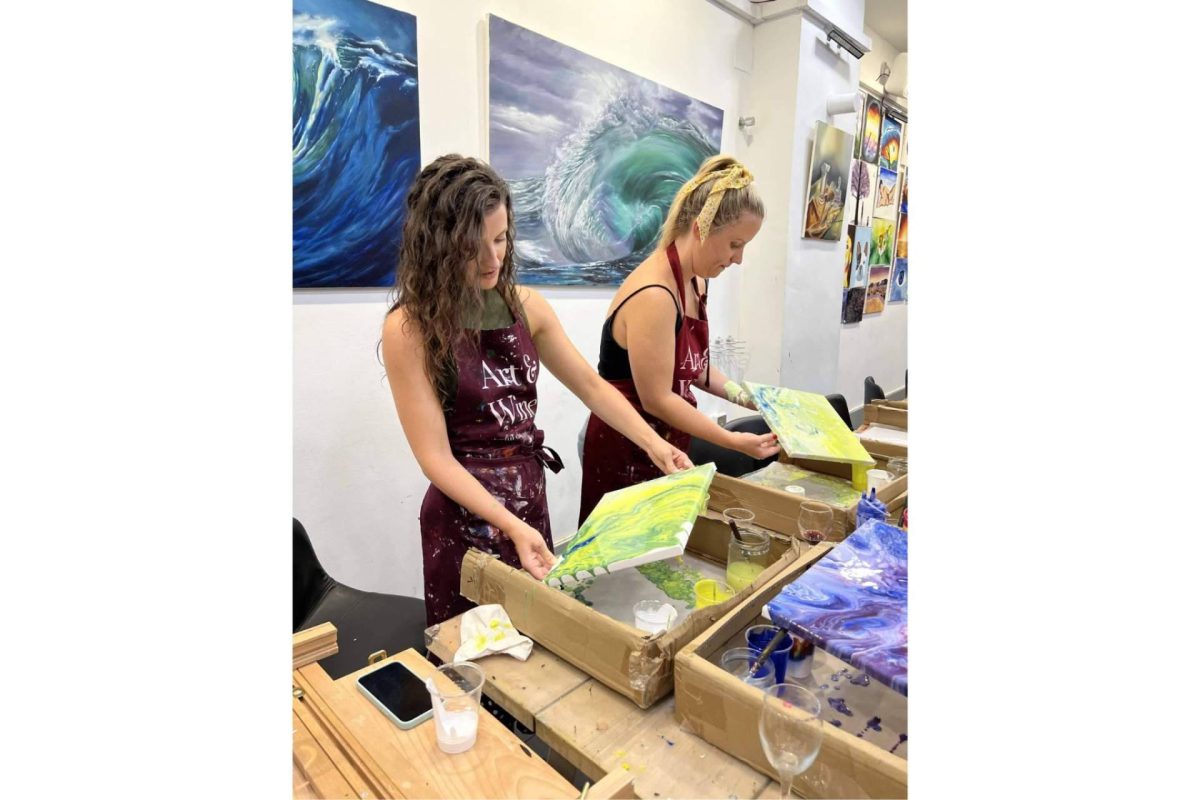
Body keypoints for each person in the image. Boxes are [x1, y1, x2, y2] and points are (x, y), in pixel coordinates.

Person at [381, 155, 692, 626]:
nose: (493, 260)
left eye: (500, 239)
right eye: (472, 248)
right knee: (472, 649)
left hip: (528, 498)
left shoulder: (528, 308)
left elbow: (592, 386)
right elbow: (436, 459)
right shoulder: (409, 329)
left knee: (534, 638)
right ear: (437, 245)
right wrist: (509, 525)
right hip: (463, 516)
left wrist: (655, 444)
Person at [578, 155, 780, 523]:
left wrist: (746, 398)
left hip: (667, 442)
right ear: (702, 227)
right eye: (735, 244)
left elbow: (694, 367)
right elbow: (658, 399)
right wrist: (732, 441)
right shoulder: (655, 294)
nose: (738, 259)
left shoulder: (695, 281)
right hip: (626, 444)